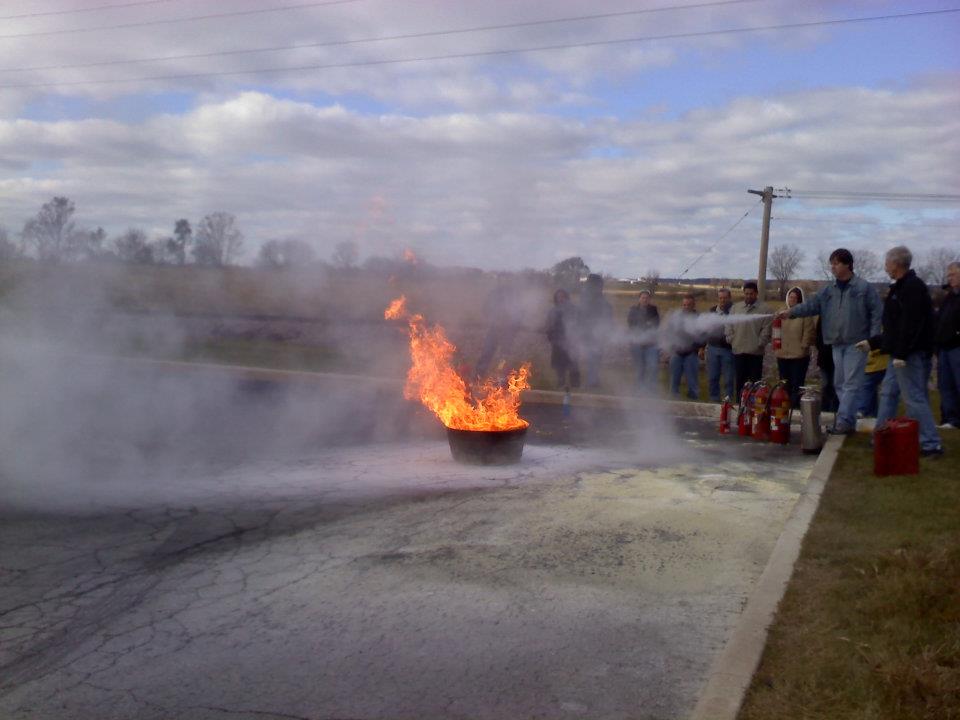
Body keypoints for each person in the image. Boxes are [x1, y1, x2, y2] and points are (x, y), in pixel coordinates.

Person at [777, 248, 882, 435]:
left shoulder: (863, 288)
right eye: (831, 264)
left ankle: (843, 422)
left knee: (851, 384)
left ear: (848, 265)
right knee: (839, 384)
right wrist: (791, 312)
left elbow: (876, 312)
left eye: (836, 263)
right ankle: (849, 421)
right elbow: (811, 305)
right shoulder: (828, 290)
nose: (832, 267)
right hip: (836, 343)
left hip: (856, 344)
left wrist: (873, 339)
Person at [870, 246, 943, 456]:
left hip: (909, 354)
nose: (885, 266)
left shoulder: (913, 287)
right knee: (888, 393)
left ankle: (931, 443)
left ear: (896, 264)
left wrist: (902, 353)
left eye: (887, 262)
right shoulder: (899, 287)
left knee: (913, 398)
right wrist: (873, 342)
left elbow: (911, 324)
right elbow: (894, 326)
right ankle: (882, 436)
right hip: (898, 353)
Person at [726, 281, 772, 394]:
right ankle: (739, 402)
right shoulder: (735, 308)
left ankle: (754, 404)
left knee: (755, 383)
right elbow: (728, 325)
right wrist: (731, 339)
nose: (748, 296)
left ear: (756, 294)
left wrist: (760, 343)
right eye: (746, 293)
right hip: (739, 350)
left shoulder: (765, 309)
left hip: (755, 353)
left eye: (751, 294)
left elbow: (767, 329)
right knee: (740, 382)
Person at [775, 286, 817, 408]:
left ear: (799, 299)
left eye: (794, 298)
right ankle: (784, 406)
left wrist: (803, 347)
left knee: (797, 383)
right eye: (790, 297)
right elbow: (776, 330)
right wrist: (777, 346)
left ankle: (795, 407)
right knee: (784, 383)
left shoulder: (804, 314)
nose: (792, 299)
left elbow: (809, 331)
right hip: (782, 354)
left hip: (799, 355)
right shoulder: (781, 312)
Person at [935, 261, 960, 429]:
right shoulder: (949, 297)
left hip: (957, 346)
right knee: (945, 385)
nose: (950, 278)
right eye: (948, 275)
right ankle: (950, 419)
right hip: (943, 347)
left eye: (953, 275)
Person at [578, 274, 613, 388]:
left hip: (599, 332)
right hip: (588, 332)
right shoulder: (586, 297)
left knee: (595, 357)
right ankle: (592, 381)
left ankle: (593, 381)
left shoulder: (599, 298)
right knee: (592, 357)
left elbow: (607, 313)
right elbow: (582, 314)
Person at [665, 293, 702, 399]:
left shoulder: (699, 317)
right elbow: (669, 332)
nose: (686, 307)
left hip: (691, 353)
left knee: (692, 380)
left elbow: (703, 335)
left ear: (693, 305)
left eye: (689, 305)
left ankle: (693, 399)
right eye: (684, 305)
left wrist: (696, 347)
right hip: (676, 353)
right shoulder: (676, 316)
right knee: (674, 379)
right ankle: (674, 398)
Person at [545, 289, 580, 389]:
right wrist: (550, 336)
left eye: (563, 296)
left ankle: (575, 384)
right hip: (557, 341)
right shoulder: (553, 311)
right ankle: (561, 382)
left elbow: (578, 323)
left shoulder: (573, 310)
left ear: (567, 297)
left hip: (571, 341)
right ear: (555, 298)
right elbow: (549, 325)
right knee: (559, 364)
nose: (560, 299)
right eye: (558, 297)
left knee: (573, 362)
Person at [627, 289, 660, 393]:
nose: (645, 300)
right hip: (637, 343)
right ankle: (639, 390)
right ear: (639, 299)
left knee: (653, 366)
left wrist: (647, 325)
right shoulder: (633, 310)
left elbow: (656, 324)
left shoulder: (653, 309)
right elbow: (631, 324)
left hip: (650, 343)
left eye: (647, 298)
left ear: (649, 299)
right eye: (643, 298)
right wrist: (645, 325)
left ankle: (652, 390)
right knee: (640, 368)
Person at [705, 288, 736, 402]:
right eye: (720, 298)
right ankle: (714, 400)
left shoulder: (734, 311)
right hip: (712, 348)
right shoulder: (712, 311)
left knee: (728, 379)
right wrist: (703, 346)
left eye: (725, 298)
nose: (722, 300)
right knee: (713, 377)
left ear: (729, 298)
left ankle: (728, 402)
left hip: (728, 350)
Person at [856, 347, 889, 419]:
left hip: (874, 365)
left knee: (867, 388)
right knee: (872, 391)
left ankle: (862, 411)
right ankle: (873, 414)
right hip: (880, 364)